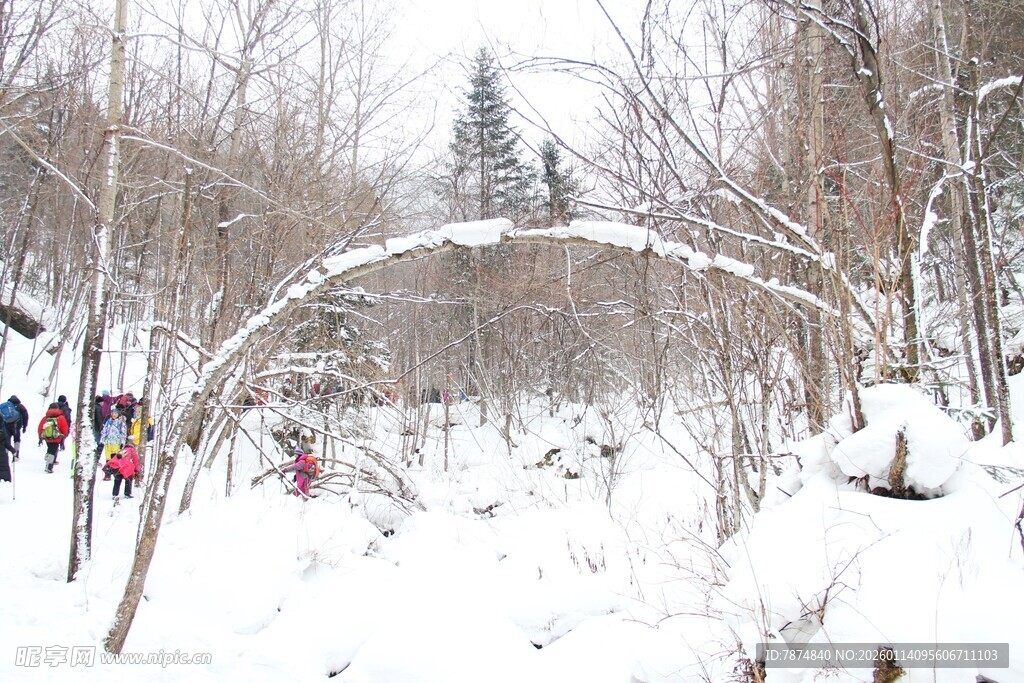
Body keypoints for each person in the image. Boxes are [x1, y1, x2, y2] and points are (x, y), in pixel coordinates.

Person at [37, 402, 70, 474]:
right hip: (56, 437)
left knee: (50, 448)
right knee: (53, 451)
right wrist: (64, 435)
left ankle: (48, 458)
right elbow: (64, 427)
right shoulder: (61, 417)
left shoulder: (45, 418)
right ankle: (49, 466)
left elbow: (40, 427)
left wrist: (40, 436)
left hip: (47, 437)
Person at [99, 407, 128, 481]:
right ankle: (107, 474)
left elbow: (123, 433)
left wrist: (122, 442)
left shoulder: (120, 423)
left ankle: (116, 474)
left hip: (116, 442)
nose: (114, 415)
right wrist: (102, 440)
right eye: (113, 413)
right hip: (108, 442)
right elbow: (105, 431)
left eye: (115, 413)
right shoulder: (108, 421)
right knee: (108, 458)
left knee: (115, 458)